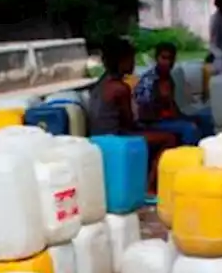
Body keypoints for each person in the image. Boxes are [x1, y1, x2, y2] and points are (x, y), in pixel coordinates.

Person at [87, 36, 181, 183]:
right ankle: (149, 187)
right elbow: (129, 122)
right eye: (131, 59)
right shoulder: (121, 89)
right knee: (169, 138)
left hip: (97, 136)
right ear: (121, 61)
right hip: (114, 137)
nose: (133, 63)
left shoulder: (100, 84)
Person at [132, 42, 215, 143]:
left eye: (170, 59)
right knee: (190, 128)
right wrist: (160, 101)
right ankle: (185, 154)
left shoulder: (168, 77)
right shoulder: (149, 80)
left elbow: (172, 105)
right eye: (164, 58)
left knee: (206, 119)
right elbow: (144, 112)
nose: (167, 62)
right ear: (156, 58)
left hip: (168, 118)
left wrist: (181, 117)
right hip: (152, 122)